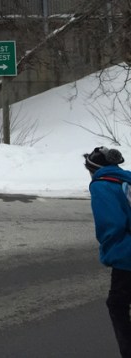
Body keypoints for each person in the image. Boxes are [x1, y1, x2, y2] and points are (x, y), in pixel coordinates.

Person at [86, 146, 131, 357]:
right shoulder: (127, 180)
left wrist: (113, 256)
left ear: (93, 169)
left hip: (128, 257)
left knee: (117, 304)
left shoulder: (102, 185)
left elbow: (111, 227)